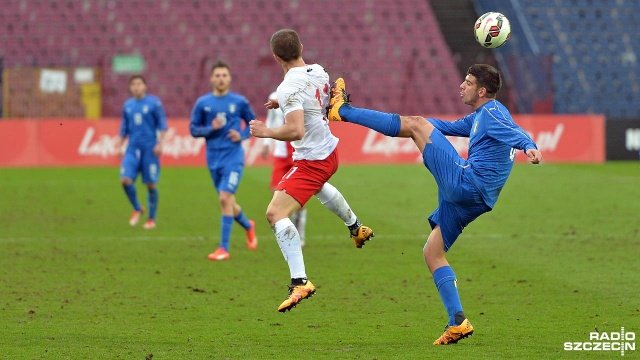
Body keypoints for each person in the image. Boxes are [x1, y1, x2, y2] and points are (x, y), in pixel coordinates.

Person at [326, 64, 542, 345]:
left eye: (467, 82)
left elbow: (515, 131)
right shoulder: (479, 116)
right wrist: (411, 123)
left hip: (468, 185)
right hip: (476, 200)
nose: (461, 86)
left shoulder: (493, 112)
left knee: (416, 124)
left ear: (482, 90)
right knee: (432, 252)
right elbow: (444, 126)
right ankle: (458, 321)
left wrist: (530, 146)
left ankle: (342, 111)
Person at [249, 29, 375, 313]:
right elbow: (313, 97)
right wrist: (283, 103)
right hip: (328, 150)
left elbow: (295, 129)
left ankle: (299, 281)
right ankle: (356, 227)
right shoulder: (317, 71)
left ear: (275, 57)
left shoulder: (286, 87)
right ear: (301, 47)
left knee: (274, 213)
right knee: (318, 188)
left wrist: (266, 131)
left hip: (312, 159)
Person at [190, 60, 258, 261]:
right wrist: (211, 128)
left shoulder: (239, 102)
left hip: (233, 157)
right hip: (213, 159)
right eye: (217, 75)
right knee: (229, 201)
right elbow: (193, 129)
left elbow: (252, 125)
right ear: (211, 78)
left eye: (224, 75)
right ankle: (248, 225)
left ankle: (223, 248)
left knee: (224, 198)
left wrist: (242, 135)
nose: (221, 79)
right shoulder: (203, 103)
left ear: (229, 78)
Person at [117, 75, 168, 230]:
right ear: (130, 87)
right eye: (133, 84)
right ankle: (137, 207)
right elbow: (124, 128)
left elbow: (163, 126)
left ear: (145, 86)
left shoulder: (154, 103)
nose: (136, 87)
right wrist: (119, 146)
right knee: (125, 180)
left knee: (150, 184)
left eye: (139, 84)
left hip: (150, 148)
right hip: (132, 148)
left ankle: (151, 219)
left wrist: (160, 144)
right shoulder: (128, 105)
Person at [261, 91, 308, 247]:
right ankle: (288, 229)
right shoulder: (274, 95)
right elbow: (271, 119)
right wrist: (267, 144)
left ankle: (299, 233)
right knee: (276, 191)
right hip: (281, 153)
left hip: (298, 152)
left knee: (299, 197)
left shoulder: (301, 94)